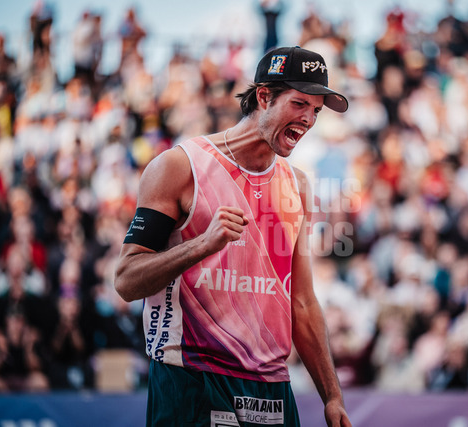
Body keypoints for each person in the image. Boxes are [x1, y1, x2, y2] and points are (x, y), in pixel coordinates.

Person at [115, 46, 351, 427]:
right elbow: (126, 279)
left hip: (271, 388)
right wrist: (201, 245)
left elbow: (303, 302)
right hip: (191, 378)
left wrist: (332, 396)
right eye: (299, 104)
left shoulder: (298, 186)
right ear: (264, 96)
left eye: (316, 111)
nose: (308, 119)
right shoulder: (180, 166)